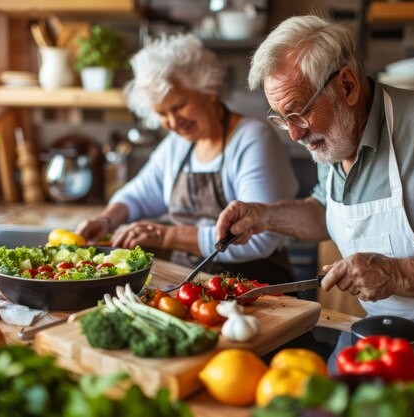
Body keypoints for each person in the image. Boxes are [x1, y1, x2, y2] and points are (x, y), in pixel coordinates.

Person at [215, 15, 414, 354]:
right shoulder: (334, 138)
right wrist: (264, 216)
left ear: (347, 86)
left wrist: (398, 275)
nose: (294, 134)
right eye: (282, 120)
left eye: (298, 113)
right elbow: (326, 211)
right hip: (388, 341)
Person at [76, 33, 299, 284]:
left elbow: (259, 238)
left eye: (179, 105)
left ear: (209, 90)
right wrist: (106, 220)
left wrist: (164, 237)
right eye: (162, 113)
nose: (172, 121)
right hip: (193, 286)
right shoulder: (177, 145)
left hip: (255, 289)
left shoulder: (252, 139)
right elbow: (139, 194)